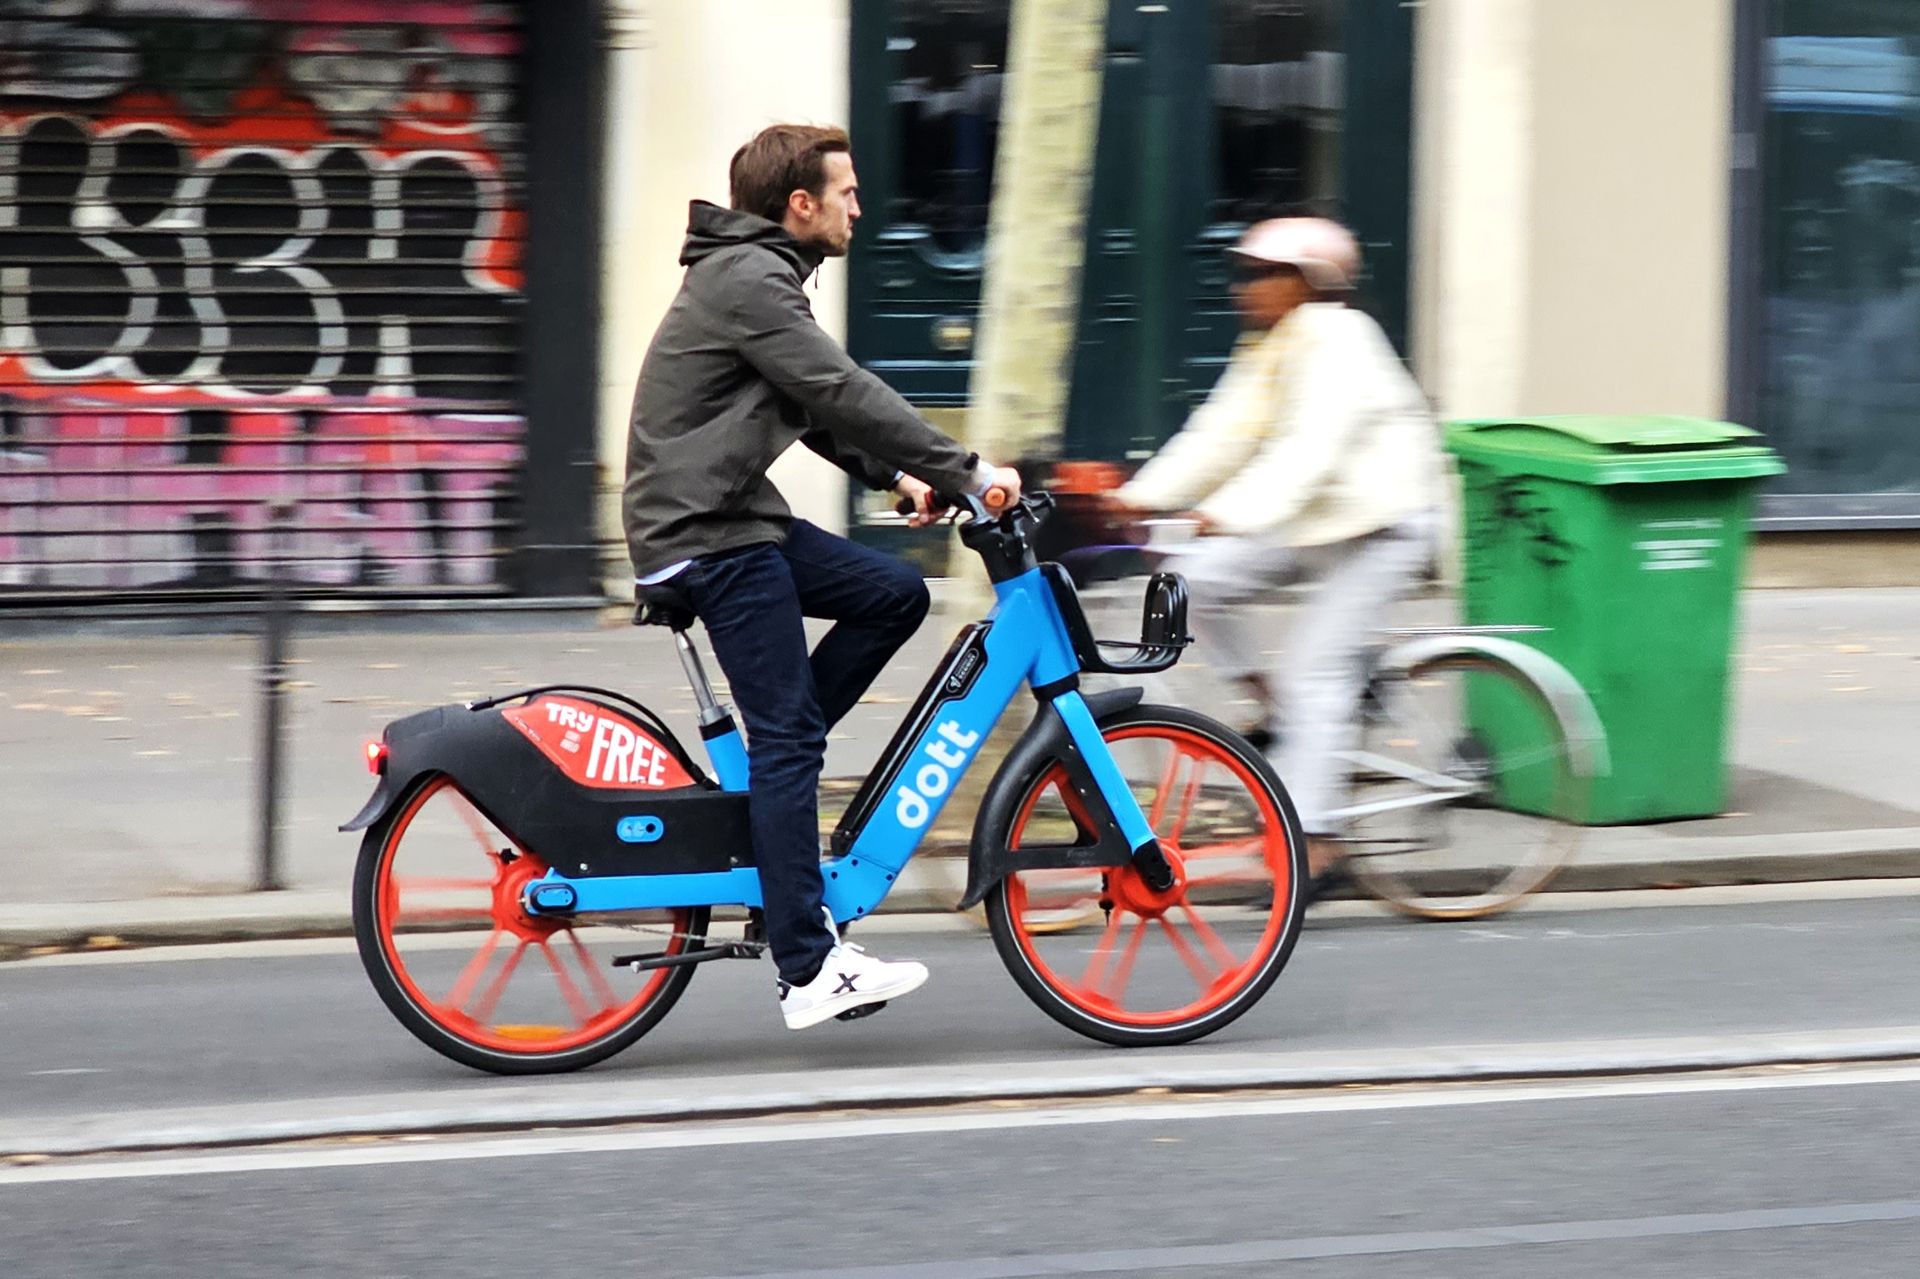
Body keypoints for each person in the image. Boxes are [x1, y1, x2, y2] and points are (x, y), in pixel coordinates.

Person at [624, 124, 1020, 1029]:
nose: (859, 207)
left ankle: (778, 777)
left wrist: (902, 476)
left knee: (894, 595)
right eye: (846, 192)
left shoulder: (757, 275)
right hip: (709, 533)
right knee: (792, 735)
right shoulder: (751, 279)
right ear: (799, 205)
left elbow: (807, 401)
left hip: (726, 518)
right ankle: (807, 965)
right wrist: (967, 471)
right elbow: (840, 388)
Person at [1109, 217, 1444, 891]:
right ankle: (1277, 709)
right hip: (1315, 522)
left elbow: (1309, 454)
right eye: (1246, 273)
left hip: (1383, 525)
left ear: (1310, 282)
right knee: (1188, 580)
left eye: (1266, 273)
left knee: (1315, 670)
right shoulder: (1270, 347)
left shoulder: (1343, 342)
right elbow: (1220, 434)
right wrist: (1139, 498)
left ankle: (1319, 845)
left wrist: (1224, 514)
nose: (1247, 287)